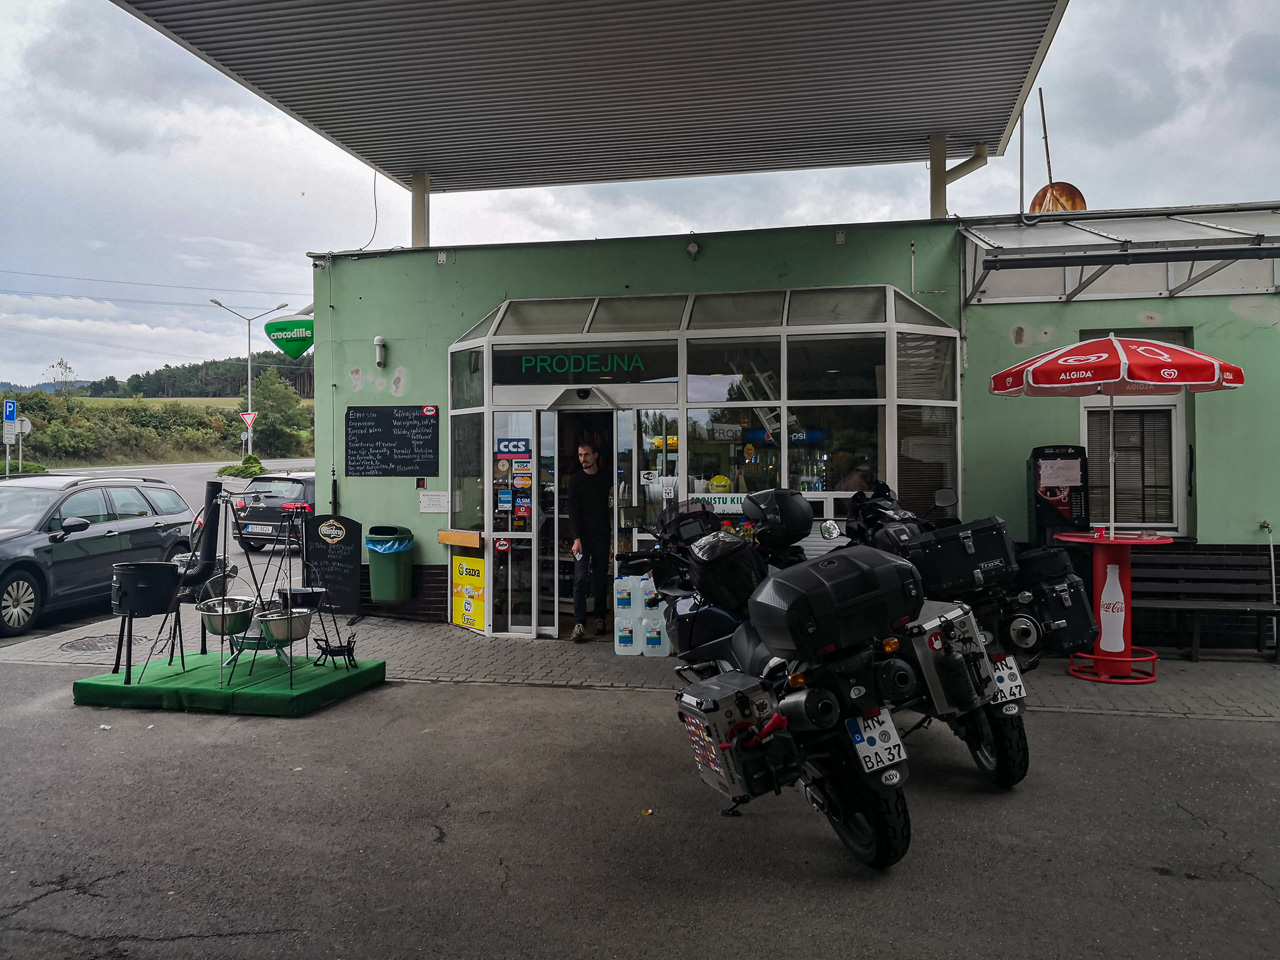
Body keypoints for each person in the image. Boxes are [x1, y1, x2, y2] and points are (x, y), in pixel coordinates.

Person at [568, 440, 612, 642]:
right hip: (582, 539)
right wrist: (576, 538)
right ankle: (579, 623)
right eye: (580, 455)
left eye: (586, 454)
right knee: (580, 579)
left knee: (600, 578)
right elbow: (573, 512)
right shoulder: (575, 480)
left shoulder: (606, 478)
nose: (583, 459)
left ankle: (600, 619)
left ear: (595, 456)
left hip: (602, 535)